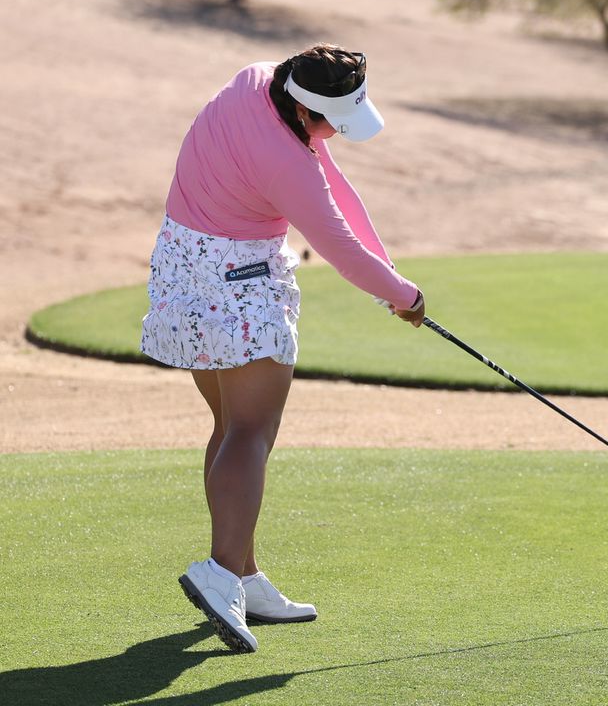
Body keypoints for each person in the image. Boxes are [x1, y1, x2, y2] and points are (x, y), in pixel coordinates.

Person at [140, 44, 424, 654]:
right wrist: (405, 296)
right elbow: (339, 245)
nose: (332, 135)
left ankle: (243, 573)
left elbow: (336, 186)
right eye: (329, 123)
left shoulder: (261, 81)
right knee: (252, 430)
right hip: (239, 283)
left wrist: (392, 276)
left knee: (230, 425)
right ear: (305, 113)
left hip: (183, 269)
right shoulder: (284, 163)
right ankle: (219, 573)